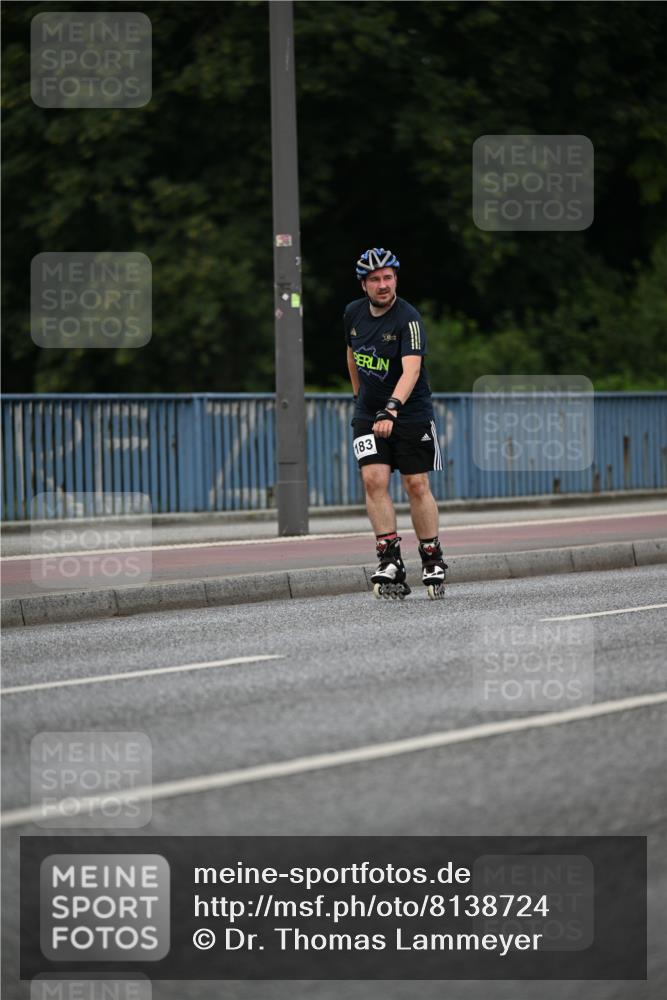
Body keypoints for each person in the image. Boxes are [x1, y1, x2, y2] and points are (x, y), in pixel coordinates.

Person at [344, 247, 447, 600]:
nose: (383, 284)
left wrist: (391, 409)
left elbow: (412, 369)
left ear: (396, 280)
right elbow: (352, 353)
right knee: (373, 480)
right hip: (369, 414)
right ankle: (389, 558)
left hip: (410, 412)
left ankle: (431, 556)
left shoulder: (409, 318)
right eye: (375, 279)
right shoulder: (353, 314)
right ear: (364, 285)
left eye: (388, 278)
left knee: (415, 483)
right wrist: (360, 399)